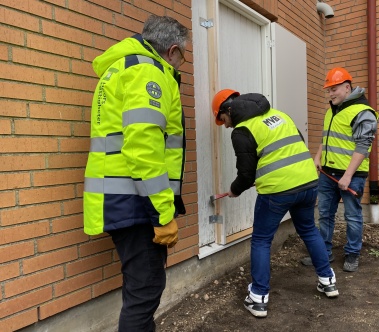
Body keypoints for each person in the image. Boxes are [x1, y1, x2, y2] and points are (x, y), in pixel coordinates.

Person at [83, 15, 189, 332]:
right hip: (136, 202)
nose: (182, 63)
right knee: (145, 292)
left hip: (124, 198)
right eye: (184, 55)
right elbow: (143, 147)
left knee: (141, 289)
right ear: (172, 50)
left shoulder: (123, 68)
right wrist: (162, 213)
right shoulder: (148, 72)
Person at [211, 89, 339, 318]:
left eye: (222, 120)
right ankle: (328, 281)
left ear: (227, 110)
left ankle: (258, 297)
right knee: (309, 230)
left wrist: (234, 190)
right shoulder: (280, 115)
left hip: (278, 191)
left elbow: (246, 174)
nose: (226, 125)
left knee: (261, 239)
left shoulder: (242, 131)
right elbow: (294, 146)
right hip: (308, 183)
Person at [300, 67, 379, 272]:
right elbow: (326, 138)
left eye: (333, 89)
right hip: (327, 173)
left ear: (347, 87)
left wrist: (348, 175)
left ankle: (352, 254)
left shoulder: (363, 112)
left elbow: (363, 146)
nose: (330, 93)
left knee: (352, 216)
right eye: (328, 90)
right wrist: (317, 157)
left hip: (350, 176)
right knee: (325, 213)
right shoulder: (332, 110)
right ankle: (323, 252)